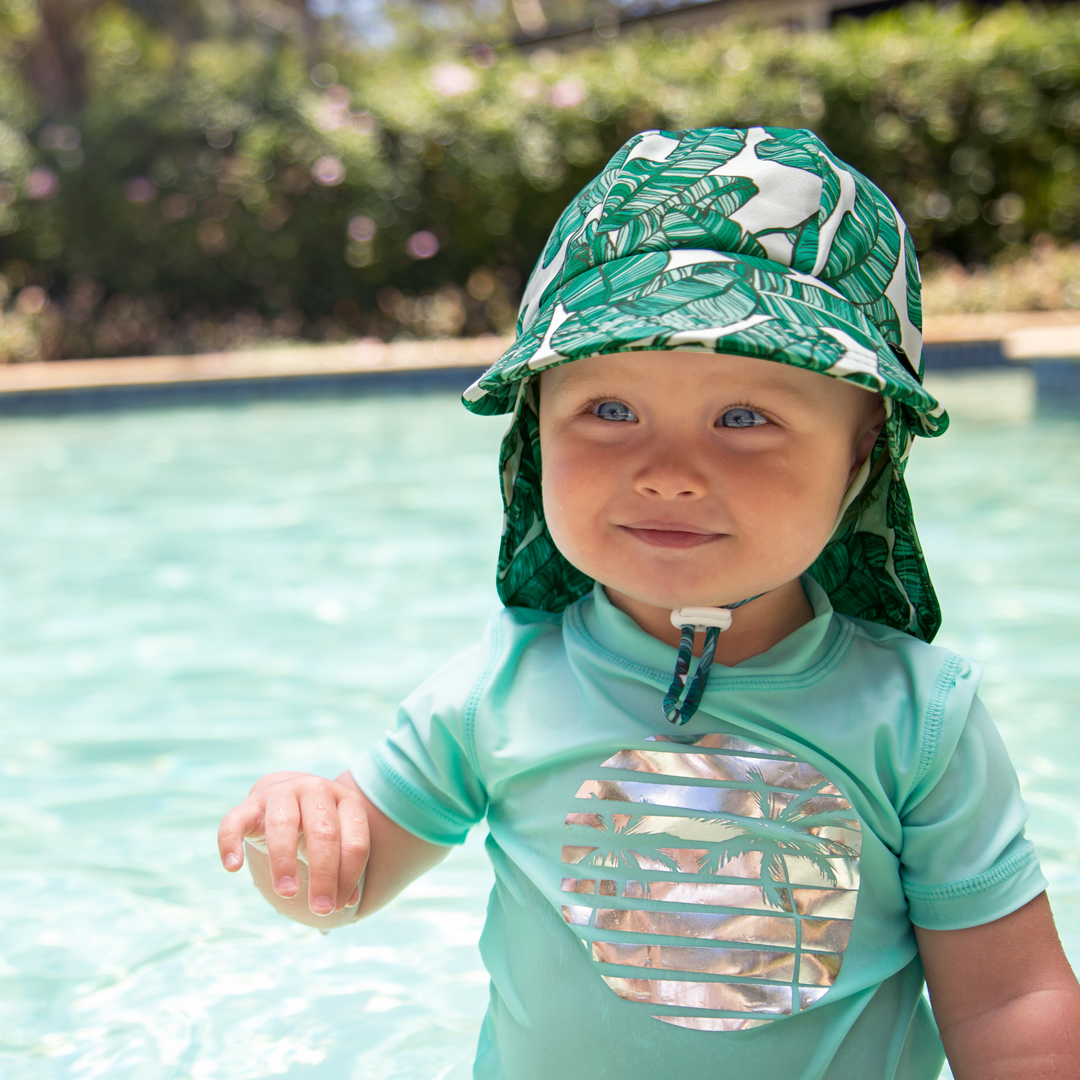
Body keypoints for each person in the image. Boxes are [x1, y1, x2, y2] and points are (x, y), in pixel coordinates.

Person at [218, 126, 1080, 1078]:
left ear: (861, 459)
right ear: (536, 432)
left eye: (745, 418)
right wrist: (296, 829)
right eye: (611, 411)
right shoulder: (496, 692)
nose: (668, 474)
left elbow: (1009, 996)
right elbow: (338, 889)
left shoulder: (919, 720)